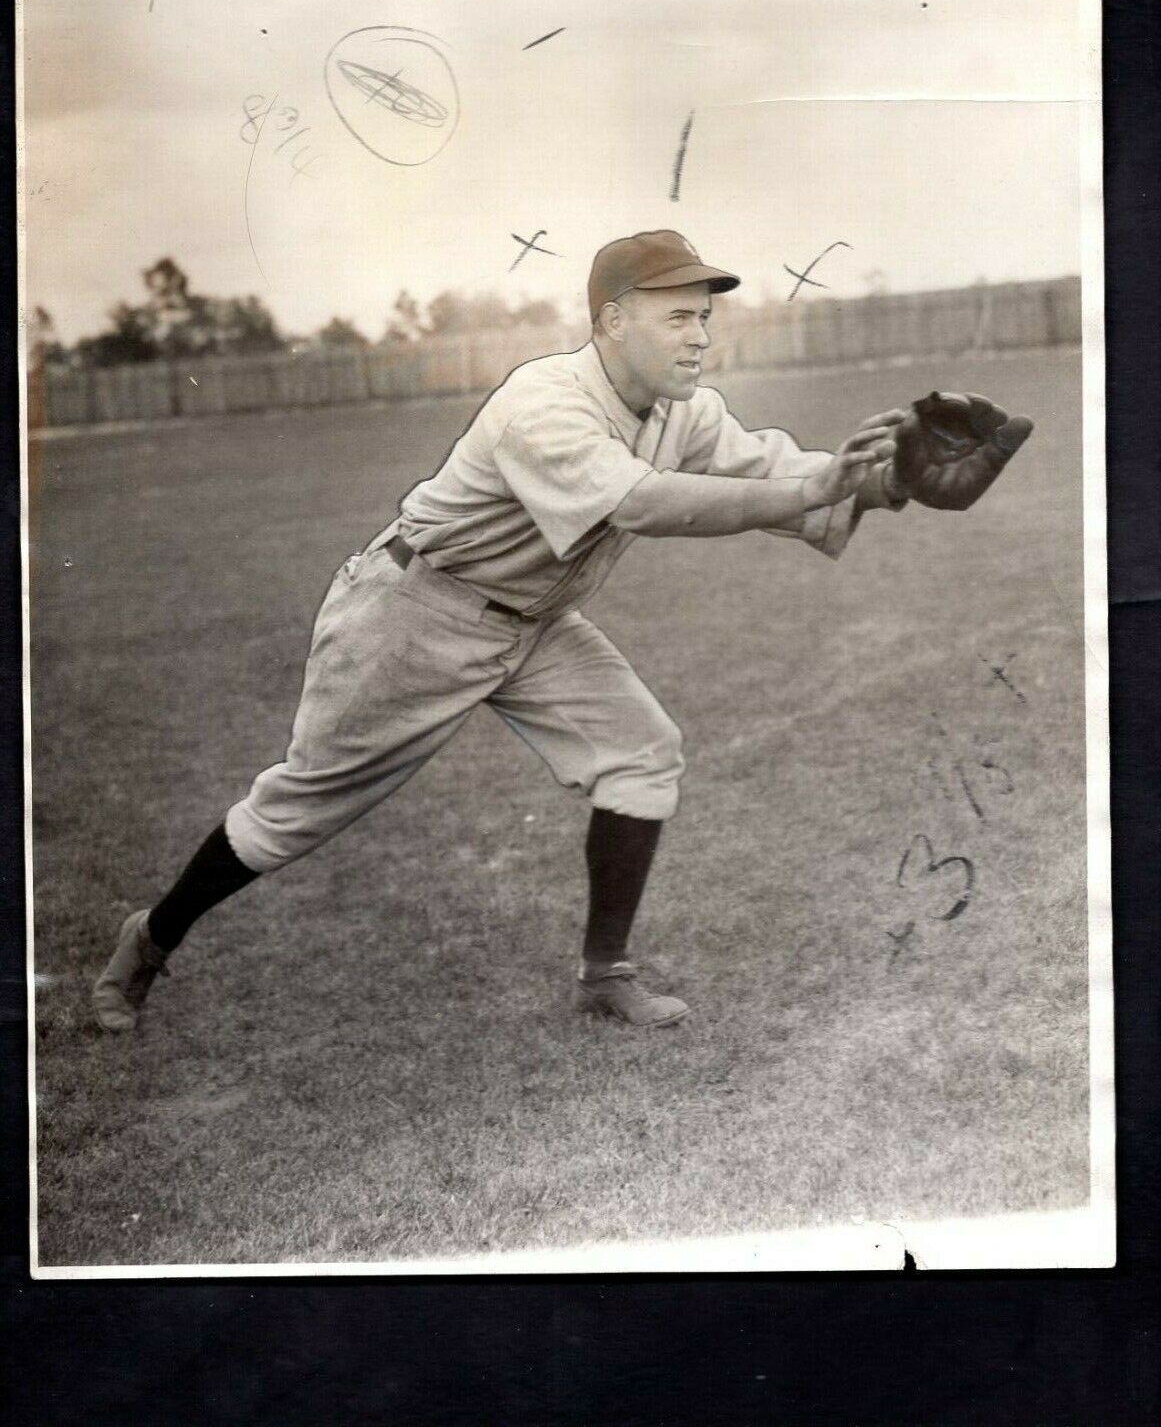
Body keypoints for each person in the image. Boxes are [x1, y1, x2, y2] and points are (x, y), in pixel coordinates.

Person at [91, 230, 933, 1032]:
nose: (699, 336)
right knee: (297, 811)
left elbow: (777, 473)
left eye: (704, 317)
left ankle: (606, 975)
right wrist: (813, 490)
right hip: (414, 613)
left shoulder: (687, 413)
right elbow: (645, 503)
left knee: (641, 752)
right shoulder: (543, 401)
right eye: (677, 316)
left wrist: (888, 481)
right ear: (610, 321)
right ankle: (150, 939)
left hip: (532, 623)